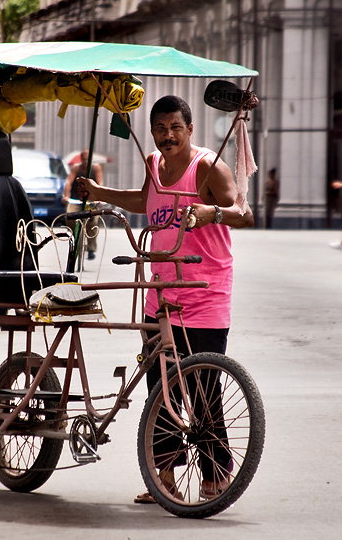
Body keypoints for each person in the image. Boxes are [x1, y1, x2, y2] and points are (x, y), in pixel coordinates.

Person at [75, 95, 253, 504]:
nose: (168, 136)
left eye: (175, 127)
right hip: (160, 295)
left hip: (204, 294)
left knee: (205, 389)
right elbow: (145, 201)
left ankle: (214, 479)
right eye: (160, 129)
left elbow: (244, 212)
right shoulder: (154, 164)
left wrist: (214, 213)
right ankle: (164, 480)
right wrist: (101, 192)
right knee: (161, 389)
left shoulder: (206, 166)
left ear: (190, 129)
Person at [62, 149, 103, 259]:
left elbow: (100, 183)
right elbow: (68, 182)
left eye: (88, 159)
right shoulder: (76, 168)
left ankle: (91, 247)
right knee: (69, 215)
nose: (86, 161)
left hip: (91, 200)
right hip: (76, 199)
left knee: (93, 222)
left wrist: (101, 198)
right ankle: (72, 233)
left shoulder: (96, 168)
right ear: (81, 159)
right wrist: (66, 196)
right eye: (84, 159)